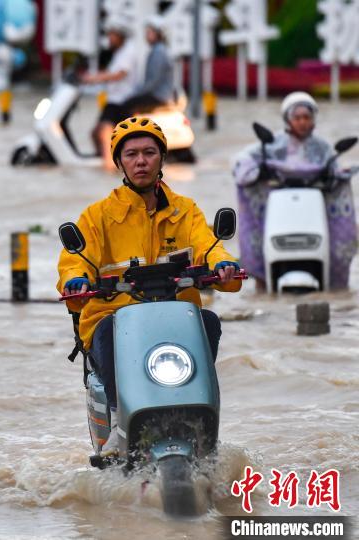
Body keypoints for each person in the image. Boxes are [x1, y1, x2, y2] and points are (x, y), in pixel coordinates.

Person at [57, 117, 242, 452]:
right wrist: (75, 281)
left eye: (148, 152)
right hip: (115, 317)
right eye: (131, 154)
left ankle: (201, 409)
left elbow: (208, 245)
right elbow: (76, 260)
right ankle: (117, 419)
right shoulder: (96, 217)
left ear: (162, 159)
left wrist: (223, 265)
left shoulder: (186, 212)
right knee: (107, 330)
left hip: (175, 317)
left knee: (209, 322)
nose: (140, 161)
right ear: (118, 162)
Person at [233, 91, 357, 290]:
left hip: (313, 209)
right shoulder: (272, 145)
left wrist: (337, 175)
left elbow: (336, 170)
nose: (302, 122)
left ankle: (334, 281)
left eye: (306, 117)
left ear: (313, 119)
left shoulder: (322, 147)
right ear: (287, 119)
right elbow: (241, 164)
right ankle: (262, 281)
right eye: (297, 117)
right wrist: (258, 171)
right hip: (277, 209)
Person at [80, 19, 138, 170]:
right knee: (94, 133)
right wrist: (93, 76)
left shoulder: (128, 52)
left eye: (112, 34)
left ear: (121, 35)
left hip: (121, 101)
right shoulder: (118, 53)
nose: (109, 38)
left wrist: (95, 78)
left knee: (105, 132)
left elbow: (119, 74)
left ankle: (109, 166)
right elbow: (111, 72)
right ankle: (103, 161)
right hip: (113, 100)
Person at [104, 14, 175, 123]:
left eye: (150, 32)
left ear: (160, 33)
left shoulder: (158, 52)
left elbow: (152, 82)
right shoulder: (159, 50)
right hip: (159, 95)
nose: (146, 35)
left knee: (126, 106)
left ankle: (126, 135)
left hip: (158, 96)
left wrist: (135, 93)